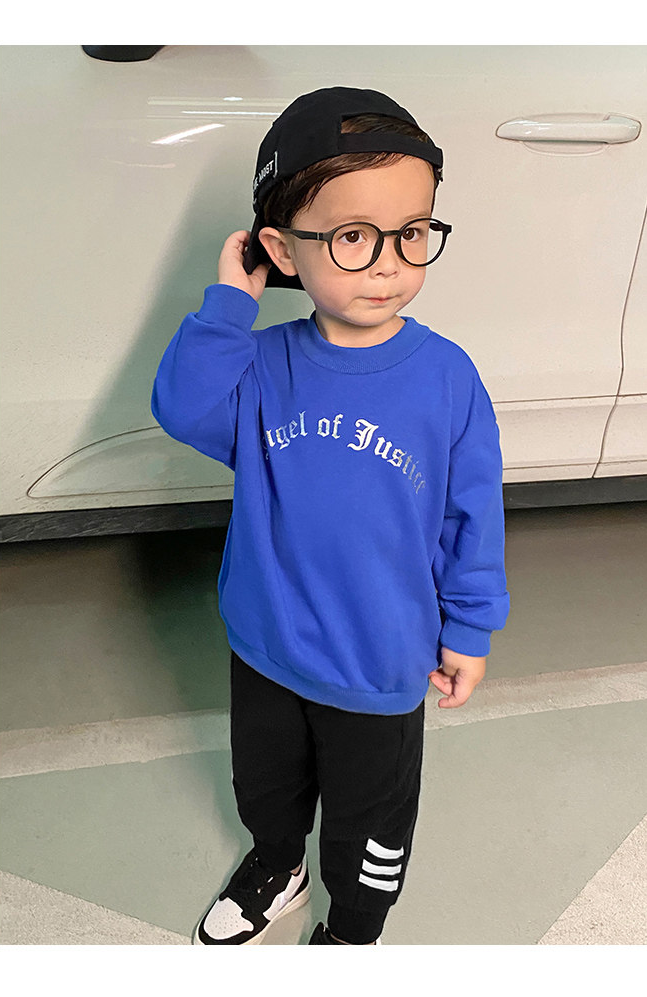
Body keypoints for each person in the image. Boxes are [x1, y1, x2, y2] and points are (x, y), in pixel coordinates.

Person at [151, 86, 510, 946]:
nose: (389, 263)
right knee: (266, 790)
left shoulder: (448, 378)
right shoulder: (260, 364)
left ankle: (352, 928)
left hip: (379, 662)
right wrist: (230, 302)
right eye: (352, 236)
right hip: (265, 644)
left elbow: (472, 517)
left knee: (368, 825)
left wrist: (470, 628)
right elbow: (182, 406)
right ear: (281, 248)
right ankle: (278, 863)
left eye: (412, 232)